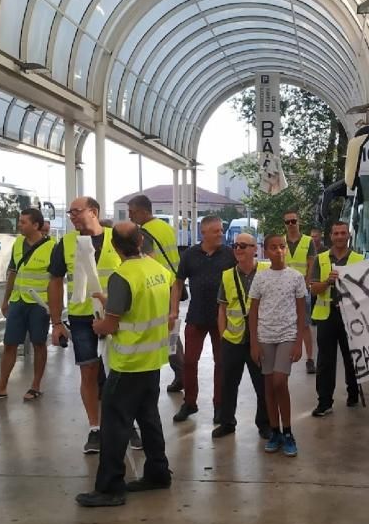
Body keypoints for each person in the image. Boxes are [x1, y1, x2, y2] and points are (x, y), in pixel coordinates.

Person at [75, 222, 174, 507]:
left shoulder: (122, 276)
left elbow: (111, 324)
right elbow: (143, 304)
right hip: (152, 360)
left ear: (114, 247)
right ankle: (157, 472)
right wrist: (112, 301)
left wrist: (98, 325)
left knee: (114, 426)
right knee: (149, 419)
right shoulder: (158, 270)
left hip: (129, 362)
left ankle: (109, 487)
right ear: (141, 241)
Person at [48, 197, 140, 454]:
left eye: (77, 212)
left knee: (121, 372)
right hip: (81, 318)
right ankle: (95, 428)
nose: (72, 216)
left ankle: (128, 424)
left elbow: (136, 272)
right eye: (70, 213)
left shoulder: (117, 237)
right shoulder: (65, 244)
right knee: (88, 371)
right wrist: (56, 322)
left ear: (94, 212)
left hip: (116, 316)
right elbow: (55, 282)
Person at [0, 208, 53, 403]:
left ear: (35, 225)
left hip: (39, 304)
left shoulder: (53, 247)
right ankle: (1, 387)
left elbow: (56, 280)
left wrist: (54, 308)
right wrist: (6, 299)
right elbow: (12, 272)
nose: (19, 225)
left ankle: (35, 386)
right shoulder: (18, 243)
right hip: (18, 301)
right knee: (9, 344)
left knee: (38, 344)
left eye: (23, 222)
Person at [169, 215, 235, 423]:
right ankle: (189, 403)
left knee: (221, 362)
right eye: (216, 231)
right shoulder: (189, 255)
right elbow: (178, 284)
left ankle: (219, 405)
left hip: (221, 318)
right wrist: (174, 310)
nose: (221, 234)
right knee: (189, 361)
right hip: (196, 316)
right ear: (203, 233)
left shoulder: (229, 254)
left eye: (221, 230)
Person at [248, 234, 306, 456]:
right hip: (265, 337)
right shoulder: (261, 278)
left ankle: (289, 432)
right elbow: (253, 312)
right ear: (266, 250)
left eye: (282, 247)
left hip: (287, 335)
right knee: (269, 385)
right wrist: (254, 342)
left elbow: (302, 311)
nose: (279, 251)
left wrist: (299, 341)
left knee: (280, 381)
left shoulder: (295, 277)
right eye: (274, 247)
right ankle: (275, 432)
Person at [126, 194, 185, 394]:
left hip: (157, 286)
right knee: (171, 330)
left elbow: (145, 261)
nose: (129, 216)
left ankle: (178, 372)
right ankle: (182, 371)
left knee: (162, 331)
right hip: (172, 283)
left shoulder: (143, 233)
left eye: (132, 212)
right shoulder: (166, 227)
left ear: (143, 211)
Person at [214, 233, 271, 439]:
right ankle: (227, 422)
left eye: (243, 246)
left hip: (259, 340)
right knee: (228, 384)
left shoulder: (266, 272)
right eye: (236, 245)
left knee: (262, 385)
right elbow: (222, 308)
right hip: (234, 340)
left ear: (255, 249)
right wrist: (223, 336)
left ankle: (264, 424)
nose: (238, 249)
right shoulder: (227, 275)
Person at [309, 221, 364, 417]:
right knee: (325, 361)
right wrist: (327, 282)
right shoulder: (321, 259)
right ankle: (324, 402)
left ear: (348, 236)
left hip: (351, 317)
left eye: (343, 233)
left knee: (352, 358)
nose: (339, 236)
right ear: (330, 236)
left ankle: (353, 393)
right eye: (336, 233)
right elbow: (313, 288)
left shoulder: (359, 259)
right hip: (327, 316)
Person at [283, 210, 317, 374]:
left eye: (293, 221)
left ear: (299, 221)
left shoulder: (308, 241)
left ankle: (310, 359)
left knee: (304, 325)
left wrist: (306, 283)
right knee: (283, 323)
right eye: (287, 222)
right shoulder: (281, 241)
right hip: (283, 290)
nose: (291, 224)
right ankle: (283, 356)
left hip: (302, 289)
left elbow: (311, 264)